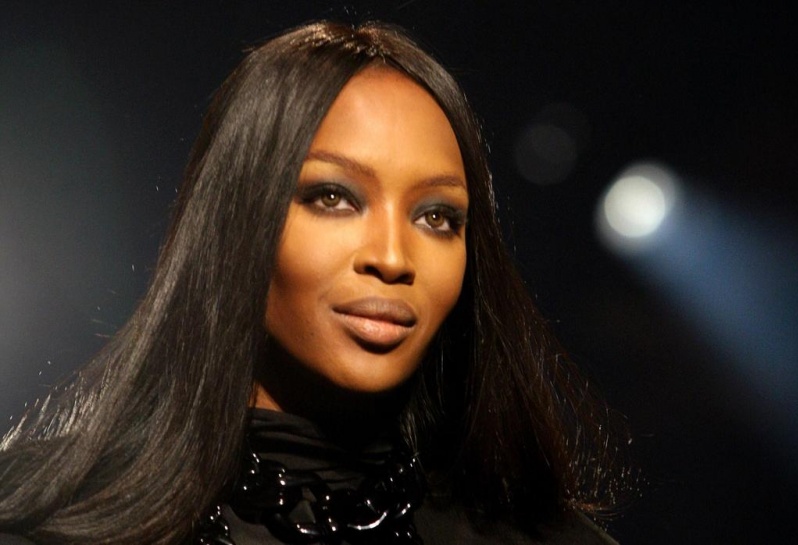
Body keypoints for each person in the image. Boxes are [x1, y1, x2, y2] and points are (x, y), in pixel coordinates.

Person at [0, 21, 629, 544]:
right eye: (333, 197)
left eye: (437, 217)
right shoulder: (41, 522)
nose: (392, 257)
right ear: (237, 221)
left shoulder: (541, 536)